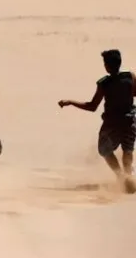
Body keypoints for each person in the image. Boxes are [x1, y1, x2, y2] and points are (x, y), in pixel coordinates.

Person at [58, 49, 136, 183]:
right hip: (130, 120)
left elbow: (92, 106)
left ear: (106, 66)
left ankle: (120, 176)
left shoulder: (104, 84)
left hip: (112, 123)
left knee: (104, 149)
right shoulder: (130, 77)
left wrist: (70, 102)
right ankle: (129, 178)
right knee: (127, 149)